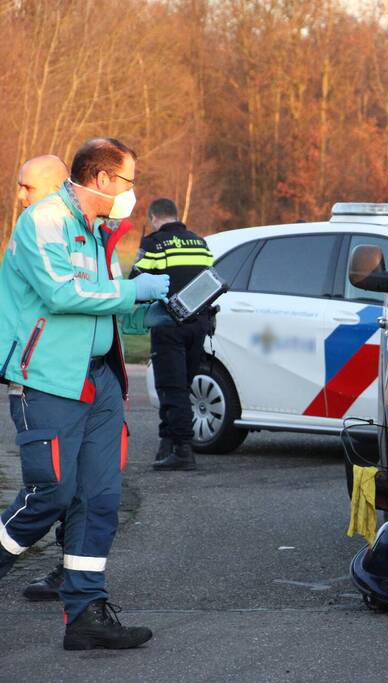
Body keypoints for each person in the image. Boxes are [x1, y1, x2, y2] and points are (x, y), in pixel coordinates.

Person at [0, 137, 173, 650]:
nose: (132, 191)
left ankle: (86, 612)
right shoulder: (44, 221)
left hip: (99, 380)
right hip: (50, 380)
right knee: (50, 493)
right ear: (101, 180)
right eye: (127, 180)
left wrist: (149, 313)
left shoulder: (98, 231)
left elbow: (103, 304)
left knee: (99, 498)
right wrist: (132, 292)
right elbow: (61, 293)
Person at [13, 155, 73, 603]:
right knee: (49, 492)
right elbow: (62, 294)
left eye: (26, 187)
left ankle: (73, 576)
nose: (19, 196)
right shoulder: (34, 231)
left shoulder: (74, 229)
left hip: (76, 380)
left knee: (83, 490)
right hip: (41, 380)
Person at [132, 198, 214, 470]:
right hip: (199, 324)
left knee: (171, 388)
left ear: (154, 218)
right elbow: (208, 280)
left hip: (169, 325)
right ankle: (166, 444)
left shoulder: (154, 243)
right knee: (183, 386)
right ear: (176, 216)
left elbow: (136, 281)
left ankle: (182, 450)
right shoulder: (200, 243)